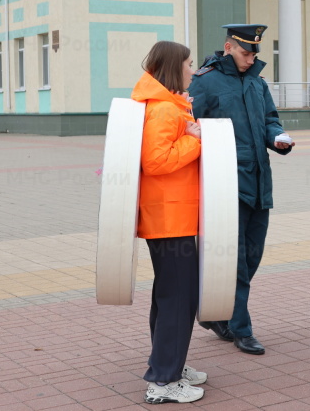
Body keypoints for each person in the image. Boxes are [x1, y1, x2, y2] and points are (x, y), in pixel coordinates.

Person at [189, 24, 294, 355]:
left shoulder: (257, 82)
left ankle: (216, 314)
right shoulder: (204, 82)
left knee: (252, 255)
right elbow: (190, 124)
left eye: (254, 54)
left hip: (259, 182)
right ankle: (241, 328)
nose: (251, 59)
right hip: (225, 184)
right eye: (246, 53)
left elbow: (270, 120)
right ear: (228, 47)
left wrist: (278, 138)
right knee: (234, 260)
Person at [130, 40, 206, 404]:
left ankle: (170, 363)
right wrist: (196, 141)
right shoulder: (163, 109)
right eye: (189, 64)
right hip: (168, 218)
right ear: (174, 66)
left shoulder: (170, 104)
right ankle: (163, 380)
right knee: (178, 298)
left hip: (171, 216)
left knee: (170, 296)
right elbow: (156, 162)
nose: (193, 70)